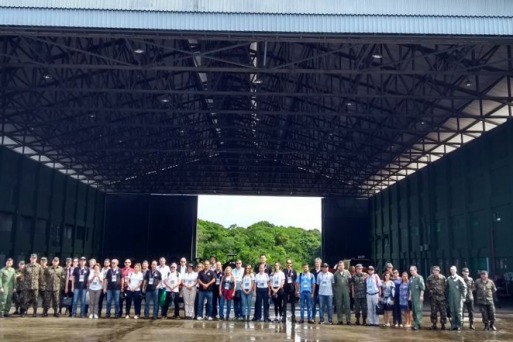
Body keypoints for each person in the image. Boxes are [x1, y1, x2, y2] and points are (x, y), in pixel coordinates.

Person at [426, 266, 447, 330]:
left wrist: (442, 291)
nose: (436, 272)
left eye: (437, 270)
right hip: (433, 297)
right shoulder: (429, 278)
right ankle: (434, 324)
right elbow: (427, 285)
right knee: (433, 312)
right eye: (435, 270)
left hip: (441, 297)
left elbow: (446, 286)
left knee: (443, 311)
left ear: (439, 271)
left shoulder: (443, 278)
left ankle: (443, 324)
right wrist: (431, 290)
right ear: (433, 271)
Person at [447, 265, 467, 331]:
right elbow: (446, 288)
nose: (452, 271)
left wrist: (464, 297)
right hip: (451, 298)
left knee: (458, 312)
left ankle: (459, 325)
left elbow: (464, 288)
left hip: (458, 298)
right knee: (452, 312)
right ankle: (453, 325)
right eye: (451, 269)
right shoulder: (448, 279)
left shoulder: (459, 278)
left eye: (453, 269)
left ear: (456, 270)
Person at [333, 260, 352, 325]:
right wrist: (335, 291)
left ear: (344, 266)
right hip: (338, 291)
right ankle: (340, 320)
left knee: (347, 305)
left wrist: (349, 289)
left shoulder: (347, 272)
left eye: (342, 265)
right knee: (339, 305)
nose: (341, 267)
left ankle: (348, 320)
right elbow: (334, 283)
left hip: (346, 290)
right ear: (338, 266)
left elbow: (350, 281)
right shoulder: (335, 274)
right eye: (339, 265)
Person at [409, 265, 425, 331]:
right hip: (413, 297)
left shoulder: (419, 277)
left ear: (416, 270)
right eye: (410, 270)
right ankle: (416, 323)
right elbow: (410, 288)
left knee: (418, 310)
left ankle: (417, 324)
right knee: (414, 311)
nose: (411, 272)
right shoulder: (411, 278)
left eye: (412, 270)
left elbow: (422, 288)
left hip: (418, 297)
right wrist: (409, 296)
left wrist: (421, 296)